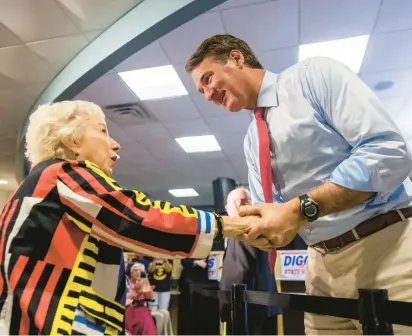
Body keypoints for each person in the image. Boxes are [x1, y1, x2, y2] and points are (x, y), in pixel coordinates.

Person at [186, 34, 412, 334]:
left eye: (208, 78)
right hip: (320, 268)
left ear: (236, 58)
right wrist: (251, 216)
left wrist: (300, 209)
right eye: (201, 90)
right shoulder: (252, 141)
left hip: (387, 249)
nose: (207, 94)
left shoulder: (314, 77)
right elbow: (279, 219)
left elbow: (388, 153)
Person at [0, 100, 270, 335]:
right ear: (72, 141)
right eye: (103, 130)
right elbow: (138, 218)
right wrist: (234, 224)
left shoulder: (37, 189)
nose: (115, 144)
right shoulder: (63, 174)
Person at [220, 187, 279, 335]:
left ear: (238, 202)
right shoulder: (261, 225)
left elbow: (239, 272)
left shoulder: (242, 230)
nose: (226, 208)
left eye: (227, 204)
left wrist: (228, 304)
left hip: (246, 310)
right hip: (264, 305)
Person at [125, 263, 156, 335]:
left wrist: (146, 284)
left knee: (146, 320)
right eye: (135, 270)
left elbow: (150, 297)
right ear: (131, 273)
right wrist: (135, 291)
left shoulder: (145, 282)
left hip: (141, 308)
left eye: (140, 270)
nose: (138, 272)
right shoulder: (127, 282)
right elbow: (124, 297)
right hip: (128, 308)